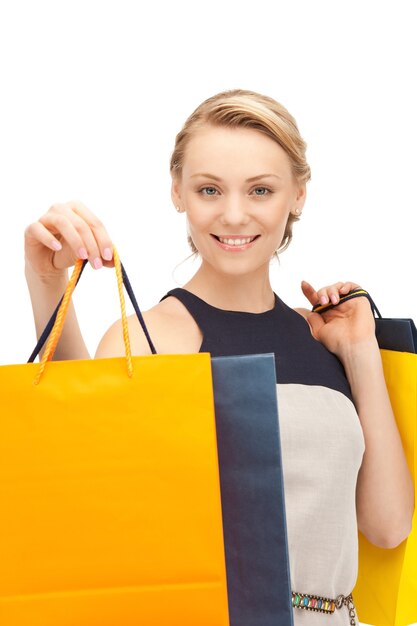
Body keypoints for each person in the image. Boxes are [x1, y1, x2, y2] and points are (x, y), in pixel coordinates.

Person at [24, 88, 414, 625]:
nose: (234, 215)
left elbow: (389, 526)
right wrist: (45, 283)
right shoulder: (151, 338)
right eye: (210, 189)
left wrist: (361, 353)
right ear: (178, 193)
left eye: (260, 190)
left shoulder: (328, 338)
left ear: (298, 195)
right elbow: (92, 487)